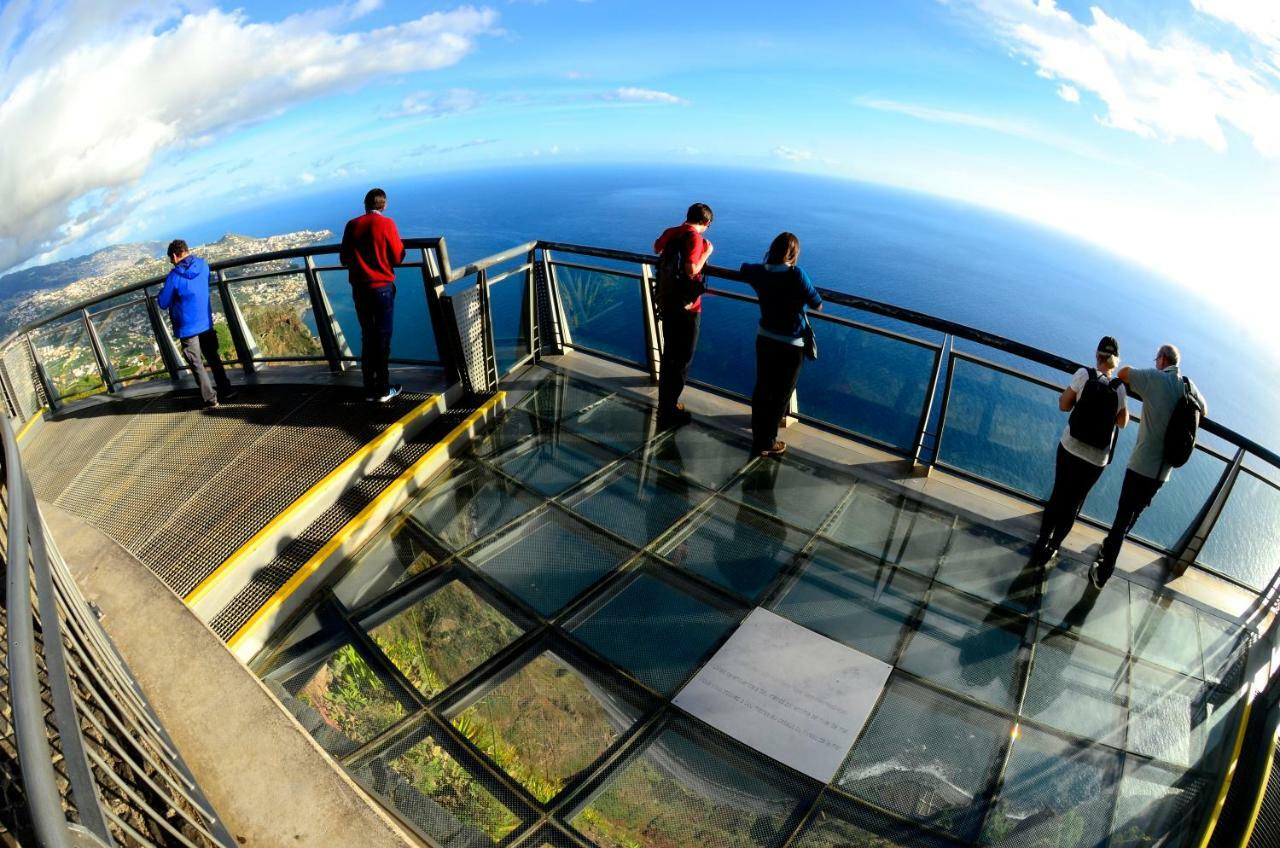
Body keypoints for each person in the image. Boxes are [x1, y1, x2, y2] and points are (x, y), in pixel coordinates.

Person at [1091, 343, 1207, 588]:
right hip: (1162, 473)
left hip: (1140, 465)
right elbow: (1204, 410)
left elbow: (1123, 374)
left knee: (1122, 518)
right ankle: (1109, 544)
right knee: (1133, 515)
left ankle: (1103, 572)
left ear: (1163, 360)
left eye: (1156, 359)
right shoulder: (1189, 385)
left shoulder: (1155, 379)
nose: (1155, 363)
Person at [1031, 336, 1129, 565]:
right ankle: (1054, 547)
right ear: (1116, 360)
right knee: (1073, 503)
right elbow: (1123, 423)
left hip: (1070, 447)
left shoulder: (1084, 375)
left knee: (1058, 495)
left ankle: (1041, 541)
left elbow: (1064, 405)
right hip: (1096, 458)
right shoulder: (1120, 388)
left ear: (1097, 355)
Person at [740, 232, 822, 457]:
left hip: (765, 337)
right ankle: (768, 441)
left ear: (772, 249)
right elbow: (817, 304)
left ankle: (759, 436)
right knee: (781, 393)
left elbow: (744, 268)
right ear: (794, 254)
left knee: (763, 387)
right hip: (791, 343)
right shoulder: (796, 275)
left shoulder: (759, 272)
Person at [340, 187, 405, 403]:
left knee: (367, 336)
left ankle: (369, 387)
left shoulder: (352, 225)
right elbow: (397, 256)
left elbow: (344, 258)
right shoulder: (387, 224)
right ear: (384, 205)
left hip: (360, 289)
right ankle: (384, 389)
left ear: (366, 205)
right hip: (382, 289)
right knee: (383, 338)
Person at [653, 202, 714, 427]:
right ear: (706, 223)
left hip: (667, 302)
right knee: (682, 359)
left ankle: (665, 405)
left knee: (670, 356)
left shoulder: (673, 231)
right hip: (687, 309)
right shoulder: (694, 238)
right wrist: (706, 252)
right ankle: (670, 409)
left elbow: (656, 247)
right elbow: (691, 269)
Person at [157, 239, 233, 409]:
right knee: (213, 356)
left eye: (171, 258)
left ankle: (211, 399)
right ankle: (226, 389)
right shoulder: (203, 265)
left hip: (186, 325)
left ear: (175, 256)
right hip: (205, 320)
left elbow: (163, 302)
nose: (171, 262)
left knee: (196, 362)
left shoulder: (174, 276)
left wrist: (164, 292)